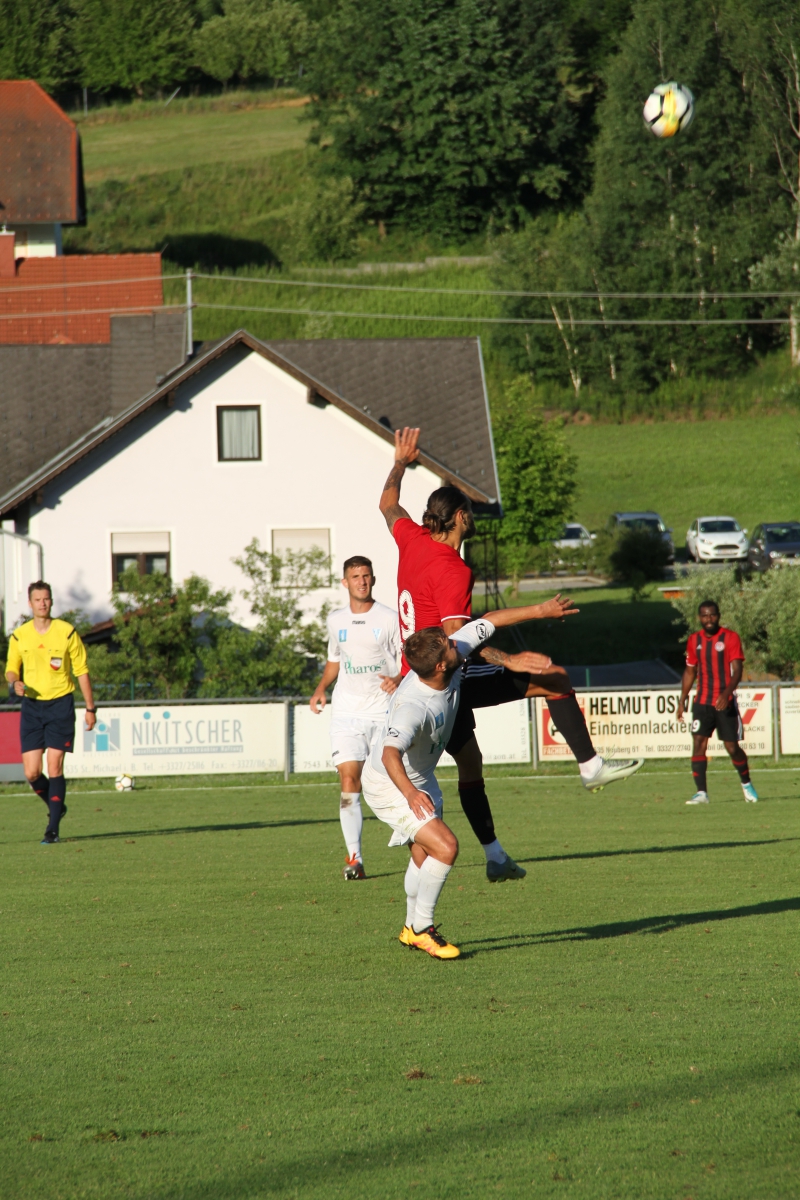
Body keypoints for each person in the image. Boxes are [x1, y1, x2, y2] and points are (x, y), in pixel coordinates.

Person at [379, 426, 643, 881]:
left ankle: (496, 858)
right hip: (443, 678)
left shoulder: (412, 539)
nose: (472, 517)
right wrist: (511, 659)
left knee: (470, 763)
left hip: (413, 680)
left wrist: (400, 462)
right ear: (460, 517)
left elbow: (387, 504)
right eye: (469, 512)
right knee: (554, 677)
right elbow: (458, 641)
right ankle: (591, 766)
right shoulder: (452, 569)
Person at [363, 607, 594, 958]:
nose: (456, 644)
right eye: (449, 646)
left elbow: (491, 620)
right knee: (446, 847)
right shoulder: (413, 707)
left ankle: (411, 929)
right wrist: (410, 794)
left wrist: (542, 610)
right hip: (390, 784)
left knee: (424, 856)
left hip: (420, 779)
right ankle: (422, 928)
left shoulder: (451, 654)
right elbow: (389, 755)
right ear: (440, 666)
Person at [310, 556, 402, 879]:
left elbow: (408, 659)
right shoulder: (335, 620)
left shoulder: (389, 618)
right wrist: (321, 687)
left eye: (366, 576)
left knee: (389, 782)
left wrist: (399, 679)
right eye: (355, 576)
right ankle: (355, 859)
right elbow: (335, 659)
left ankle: (415, 836)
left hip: (383, 712)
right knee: (349, 779)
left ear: (373, 580)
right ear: (344, 582)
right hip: (347, 712)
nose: (361, 581)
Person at [5, 580, 97, 843]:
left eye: (46, 599)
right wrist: (14, 682)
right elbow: (11, 668)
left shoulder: (66, 632)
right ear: (30, 603)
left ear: (51, 601)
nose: (42, 603)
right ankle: (57, 806)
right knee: (32, 773)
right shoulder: (20, 635)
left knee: (55, 764)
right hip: (32, 707)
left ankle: (53, 829)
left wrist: (90, 708)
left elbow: (81, 671)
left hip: (60, 705)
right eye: (37, 599)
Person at [677, 599, 757, 805]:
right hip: (702, 702)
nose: (709, 619)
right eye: (704, 615)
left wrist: (726, 693)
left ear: (718, 616)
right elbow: (690, 671)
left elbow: (737, 670)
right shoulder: (694, 640)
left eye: (712, 615)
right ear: (699, 618)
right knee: (698, 743)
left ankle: (746, 783)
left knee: (732, 747)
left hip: (724, 702)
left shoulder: (730, 637)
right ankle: (701, 793)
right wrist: (682, 700)